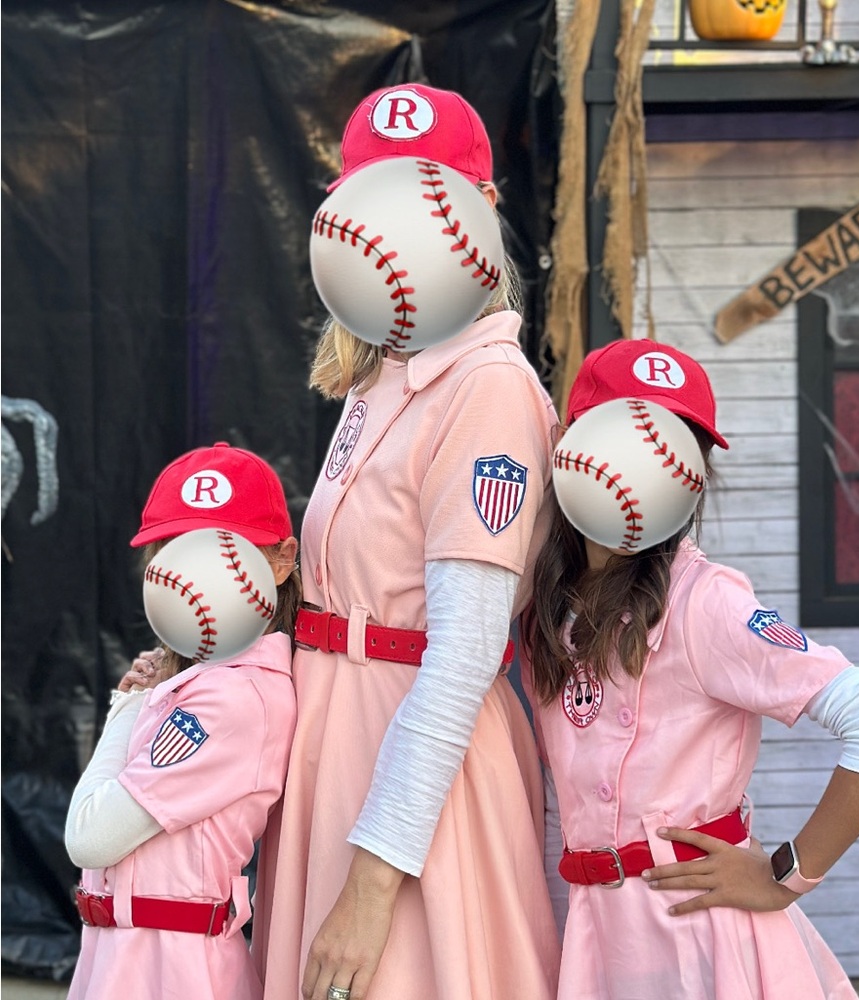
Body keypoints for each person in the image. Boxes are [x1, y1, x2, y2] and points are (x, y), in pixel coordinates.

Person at [250, 83, 561, 1000]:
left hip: (417, 784)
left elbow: (466, 652)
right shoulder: (383, 373)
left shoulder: (488, 387)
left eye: (422, 201)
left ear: (480, 214)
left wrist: (373, 883)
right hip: (335, 743)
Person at [521, 338, 859, 1000]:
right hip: (594, 931)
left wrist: (783, 875)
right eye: (633, 435)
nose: (650, 468)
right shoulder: (540, 601)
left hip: (698, 938)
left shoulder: (705, 602)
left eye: (678, 448)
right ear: (574, 445)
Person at [64, 442, 301, 1000]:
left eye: (218, 553)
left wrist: (127, 709)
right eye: (175, 551)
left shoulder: (237, 697)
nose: (192, 575)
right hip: (122, 956)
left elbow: (90, 836)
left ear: (281, 561)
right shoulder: (201, 681)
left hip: (173, 969)